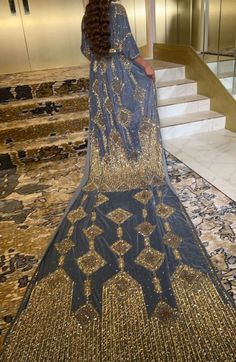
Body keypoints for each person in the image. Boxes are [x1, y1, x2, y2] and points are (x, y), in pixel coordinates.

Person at [1, 0, 236, 361]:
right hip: (122, 75)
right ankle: (135, 158)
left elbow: (85, 50)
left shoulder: (87, 16)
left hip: (99, 80)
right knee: (132, 120)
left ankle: (113, 162)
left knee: (109, 126)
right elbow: (128, 47)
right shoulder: (119, 10)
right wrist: (146, 67)